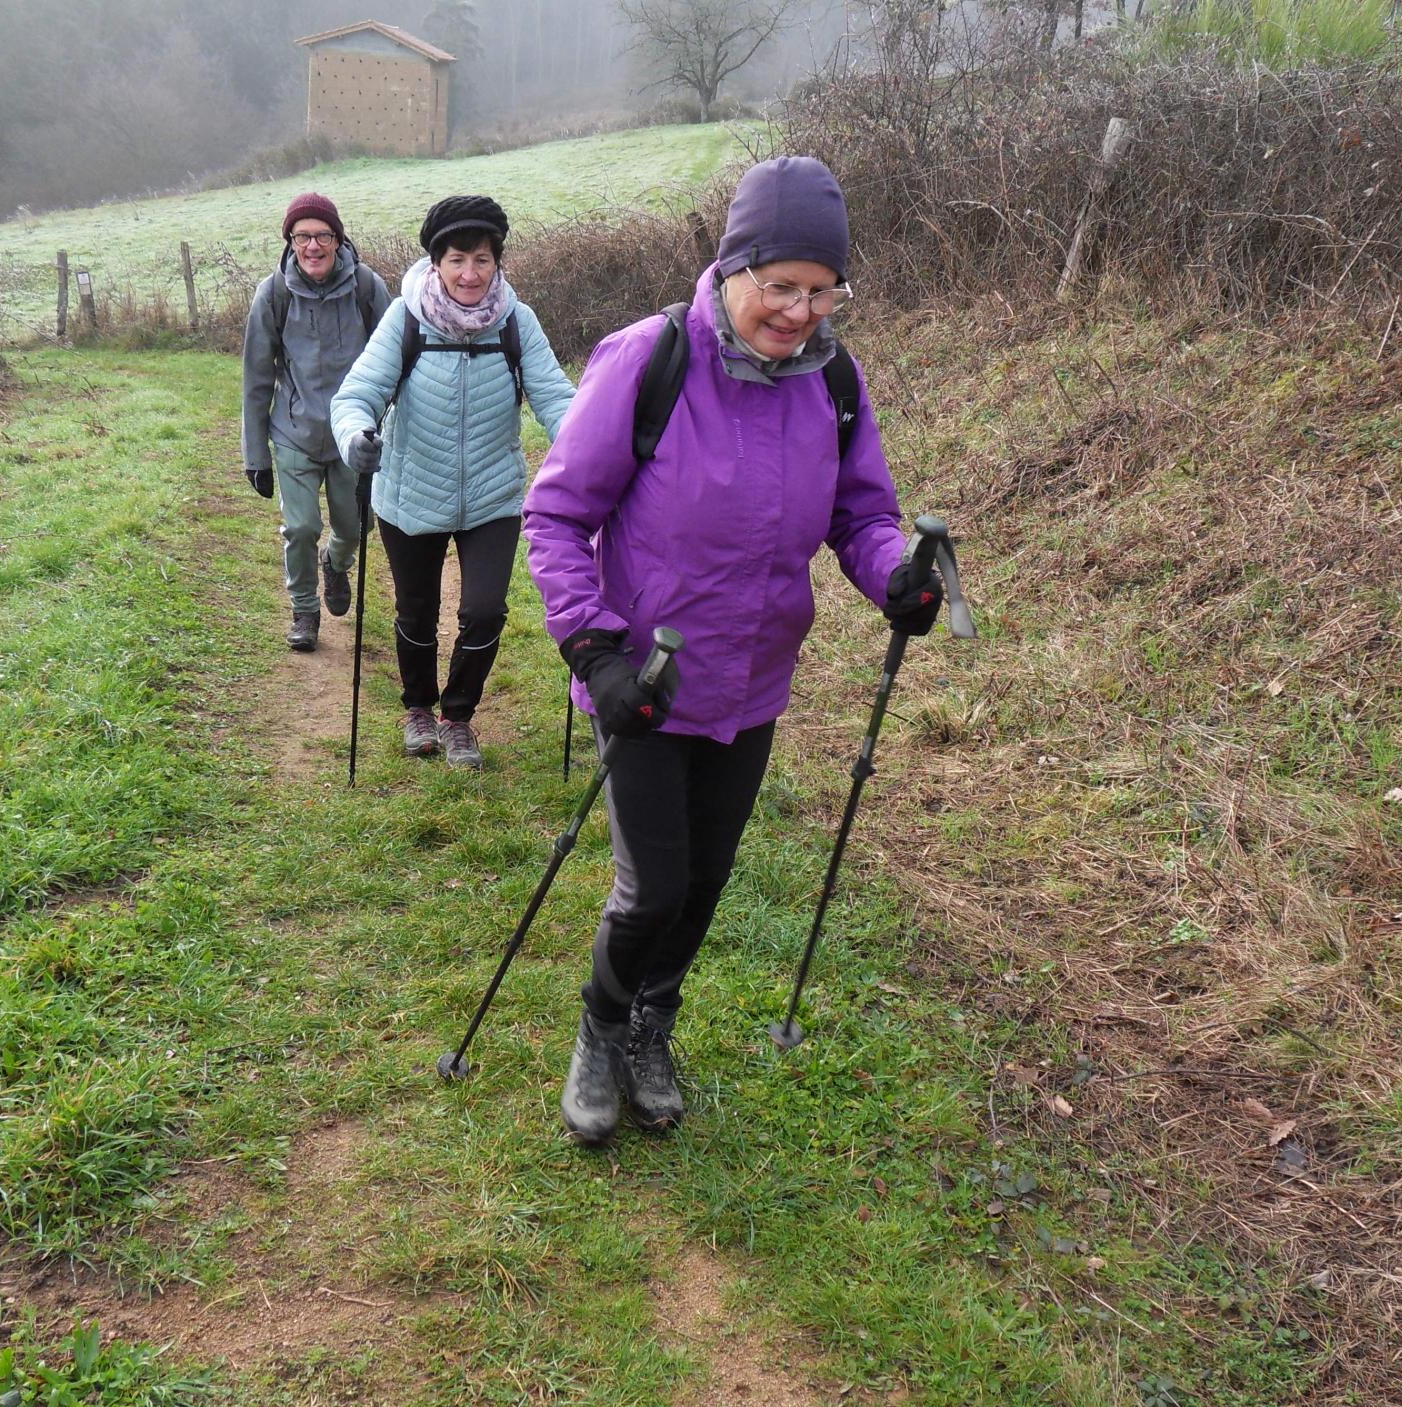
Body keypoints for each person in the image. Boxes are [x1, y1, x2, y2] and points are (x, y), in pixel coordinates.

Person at [522, 157, 944, 1145]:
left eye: (821, 290)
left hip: (752, 680)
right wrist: (594, 654)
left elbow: (863, 510)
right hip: (647, 684)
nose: (800, 311)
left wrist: (893, 575)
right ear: (732, 270)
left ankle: (650, 1031)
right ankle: (598, 1032)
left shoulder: (833, 381)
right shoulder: (650, 358)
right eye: (781, 287)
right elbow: (556, 514)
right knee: (653, 885)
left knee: (706, 880)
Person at [330, 195, 575, 770]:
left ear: (498, 263)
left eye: (483, 260)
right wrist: (358, 435)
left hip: (493, 496)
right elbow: (357, 394)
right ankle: (418, 708)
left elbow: (557, 399)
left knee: (486, 611)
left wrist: (593, 452)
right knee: (416, 611)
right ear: (436, 262)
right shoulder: (405, 317)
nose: (470, 273)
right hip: (411, 491)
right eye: (458, 259)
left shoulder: (518, 321)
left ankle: (457, 717)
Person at [242, 192, 392, 653]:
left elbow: (397, 363)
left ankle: (335, 562)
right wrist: (256, 456)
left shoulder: (367, 289)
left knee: (354, 527)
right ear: (290, 241)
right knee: (301, 527)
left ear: (337, 239)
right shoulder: (273, 294)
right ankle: (304, 611)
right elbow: (256, 378)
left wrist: (392, 432)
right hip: (294, 434)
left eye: (322, 235)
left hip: (355, 437)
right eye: (302, 236)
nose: (312, 246)